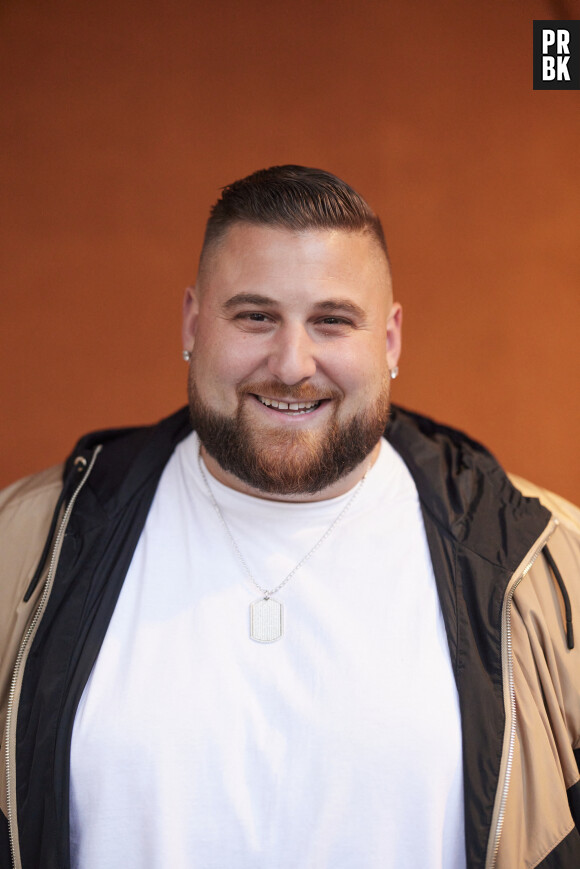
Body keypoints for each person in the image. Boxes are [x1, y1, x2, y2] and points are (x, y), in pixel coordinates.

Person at [1, 165, 579, 869]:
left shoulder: (547, 563)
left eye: (332, 321)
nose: (291, 363)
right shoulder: (23, 549)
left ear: (390, 341)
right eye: (255, 316)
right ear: (191, 322)